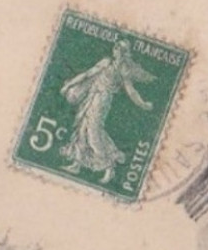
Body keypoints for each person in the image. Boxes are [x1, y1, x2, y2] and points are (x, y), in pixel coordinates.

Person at [59, 40, 154, 183]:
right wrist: (70, 85)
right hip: (92, 96)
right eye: (115, 47)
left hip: (102, 100)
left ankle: (109, 167)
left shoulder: (123, 69)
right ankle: (77, 164)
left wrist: (143, 104)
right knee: (82, 129)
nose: (115, 50)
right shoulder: (106, 62)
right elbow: (87, 74)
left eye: (119, 49)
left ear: (124, 53)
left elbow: (131, 91)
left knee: (93, 132)